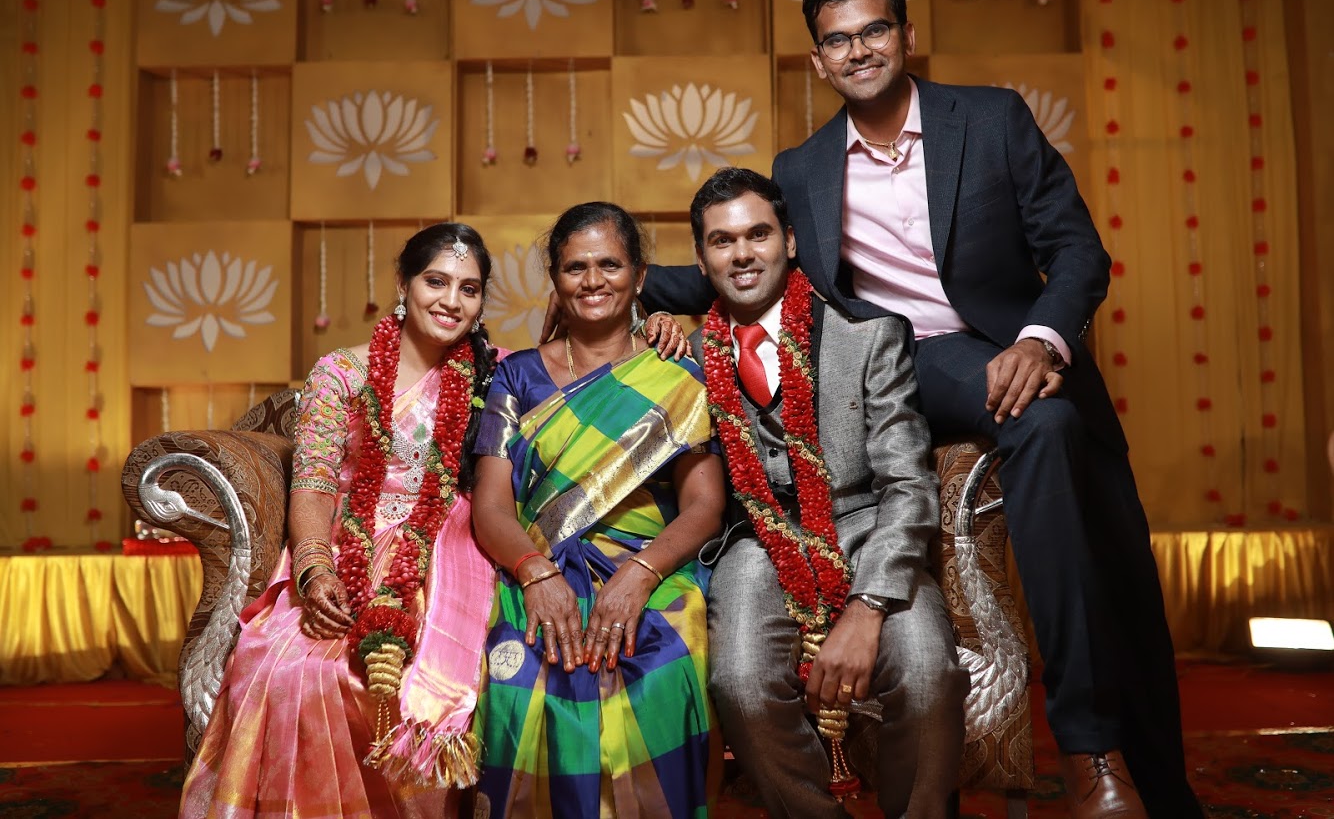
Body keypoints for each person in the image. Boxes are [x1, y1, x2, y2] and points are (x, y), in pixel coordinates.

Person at [637, 0, 1203, 819]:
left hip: (1025, 353)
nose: (858, 50)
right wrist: (618, 287)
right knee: (1041, 423)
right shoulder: (803, 167)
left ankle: (1158, 791)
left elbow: (1077, 251)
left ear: (905, 34)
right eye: (837, 40)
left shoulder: (991, 119)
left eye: (874, 30)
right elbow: (744, 263)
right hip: (914, 367)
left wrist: (1039, 339)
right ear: (818, 60)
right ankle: (1086, 749)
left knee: (1120, 569)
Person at [179, 223, 504, 818]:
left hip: (451, 550)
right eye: (436, 281)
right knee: (287, 670)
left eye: (469, 288)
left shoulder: (495, 374)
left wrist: (649, 320)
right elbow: (314, 482)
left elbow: (573, 365)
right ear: (403, 284)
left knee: (423, 686)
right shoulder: (342, 373)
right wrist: (315, 569)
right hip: (348, 542)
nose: (451, 301)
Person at [687, 167, 966, 818]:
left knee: (928, 672)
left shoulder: (868, 335)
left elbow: (908, 484)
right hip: (756, 539)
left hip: (868, 528)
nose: (742, 253)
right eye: (723, 241)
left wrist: (868, 610)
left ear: (788, 240)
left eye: (758, 234)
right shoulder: (687, 355)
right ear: (701, 260)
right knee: (740, 683)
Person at [470, 202, 726, 818]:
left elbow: (703, 505)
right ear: (555, 280)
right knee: (517, 682)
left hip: (650, 566)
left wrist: (640, 576)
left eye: (610, 265)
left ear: (640, 276)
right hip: (537, 565)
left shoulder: (675, 373)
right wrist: (536, 574)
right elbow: (491, 507)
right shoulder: (516, 377)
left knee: (659, 674)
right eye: (575, 267)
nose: (592, 281)